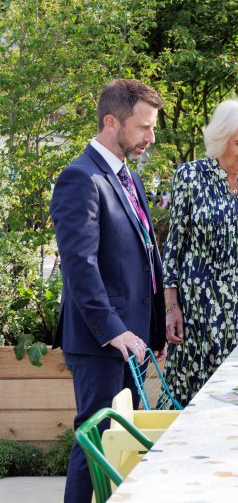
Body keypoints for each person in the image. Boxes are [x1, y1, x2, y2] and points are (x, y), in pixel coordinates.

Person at [50, 79, 167, 503]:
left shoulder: (127, 177)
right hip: (102, 340)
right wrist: (113, 330)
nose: (150, 138)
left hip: (130, 339)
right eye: (143, 127)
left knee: (120, 445)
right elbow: (80, 266)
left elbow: (142, 260)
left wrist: (153, 329)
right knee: (96, 444)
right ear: (111, 121)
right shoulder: (80, 178)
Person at [163, 98, 238, 405]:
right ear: (220, 139)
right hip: (202, 305)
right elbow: (174, 247)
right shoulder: (189, 177)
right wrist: (172, 307)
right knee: (201, 396)